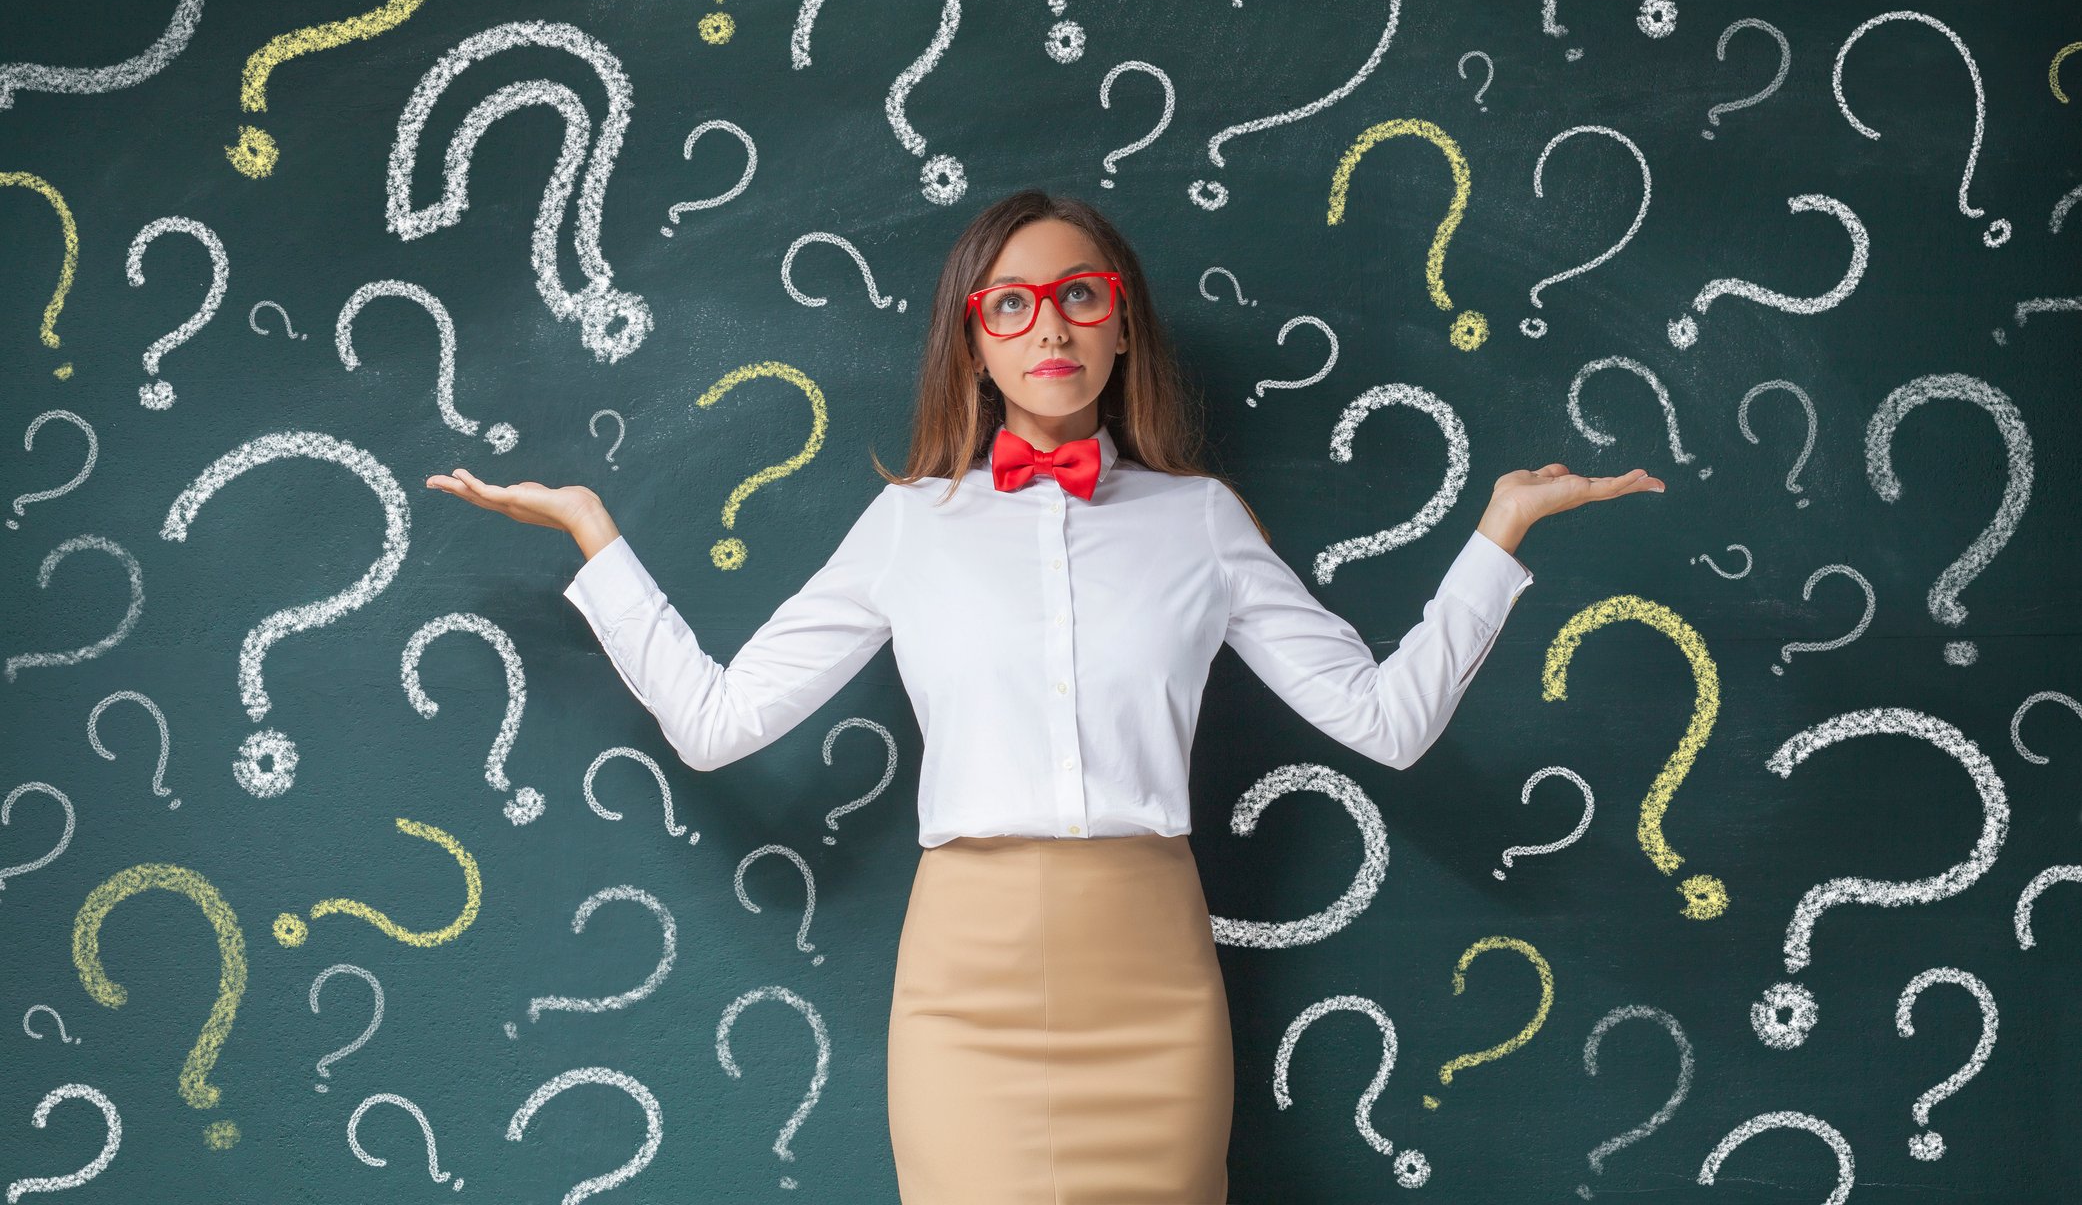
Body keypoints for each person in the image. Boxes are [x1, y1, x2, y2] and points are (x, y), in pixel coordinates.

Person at [426, 189, 1662, 1204]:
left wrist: (1500, 535)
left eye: (1081, 295)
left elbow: (1387, 722)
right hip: (969, 979)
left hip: (1154, 976)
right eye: (1009, 305)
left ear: (1123, 328)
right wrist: (597, 540)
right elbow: (716, 723)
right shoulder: (910, 526)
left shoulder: (1204, 525)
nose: (1050, 327)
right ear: (975, 341)